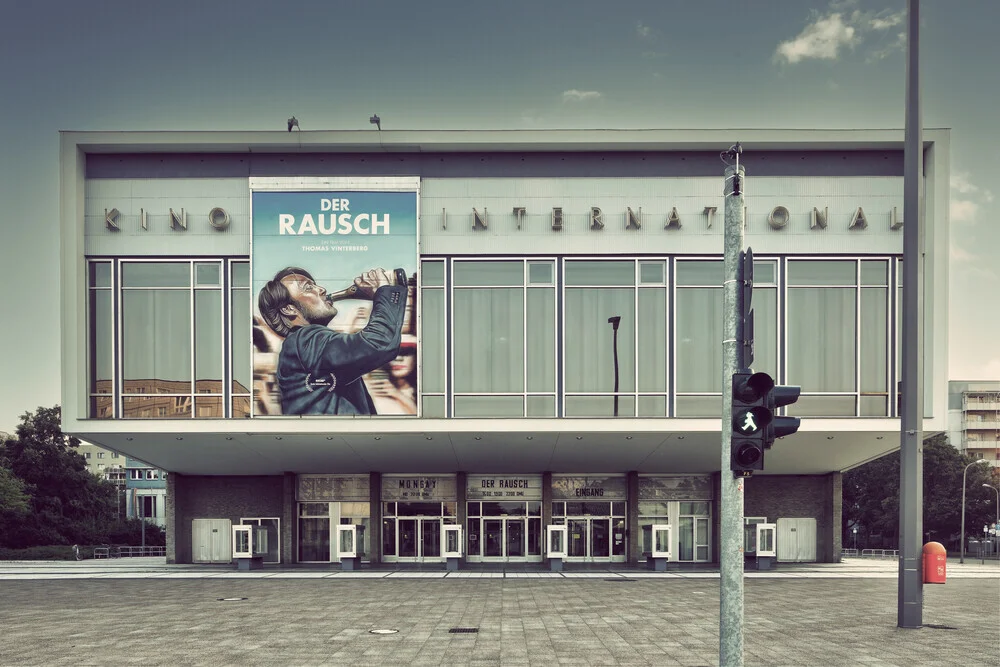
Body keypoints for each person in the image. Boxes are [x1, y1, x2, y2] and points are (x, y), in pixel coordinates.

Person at [257, 266, 408, 415]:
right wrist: (383, 288)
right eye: (308, 287)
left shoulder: (304, 346)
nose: (321, 289)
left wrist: (382, 294)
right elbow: (378, 343)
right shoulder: (306, 339)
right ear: (289, 309)